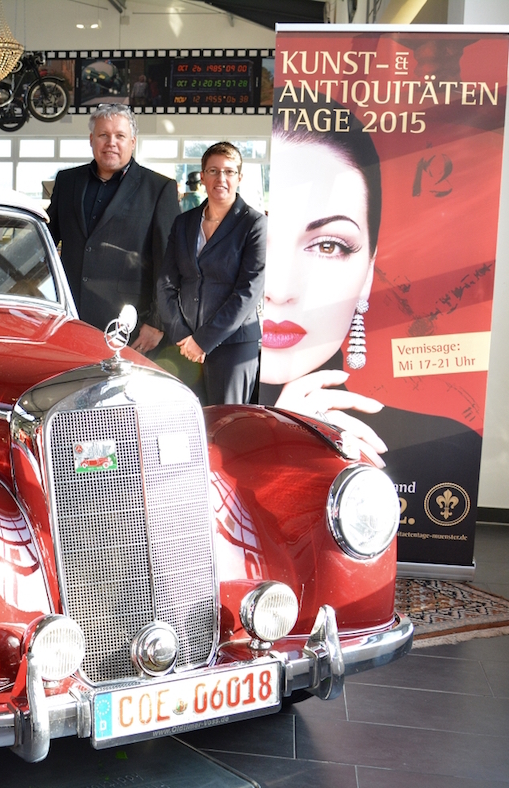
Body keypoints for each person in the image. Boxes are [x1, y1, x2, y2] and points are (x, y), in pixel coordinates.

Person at [261, 101, 482, 561]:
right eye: (261, 240)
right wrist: (269, 435)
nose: (279, 290)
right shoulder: (167, 418)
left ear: (369, 268)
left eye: (328, 245)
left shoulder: (444, 450)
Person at [46, 104, 179, 353]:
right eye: (103, 135)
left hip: (129, 324)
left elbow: (170, 262)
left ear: (133, 142)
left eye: (120, 136)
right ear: (91, 140)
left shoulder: (159, 189)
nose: (111, 142)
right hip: (69, 317)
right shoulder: (67, 181)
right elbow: (45, 242)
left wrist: (157, 322)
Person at [156, 142, 266, 405]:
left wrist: (203, 341)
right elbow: (166, 283)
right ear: (202, 176)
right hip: (183, 347)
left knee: (227, 428)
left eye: (229, 172)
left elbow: (247, 293)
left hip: (233, 348)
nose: (221, 178)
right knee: (185, 427)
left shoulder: (255, 225)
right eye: (214, 171)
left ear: (239, 178)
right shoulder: (184, 222)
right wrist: (182, 334)